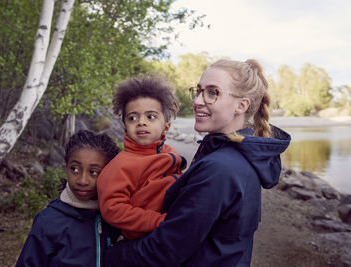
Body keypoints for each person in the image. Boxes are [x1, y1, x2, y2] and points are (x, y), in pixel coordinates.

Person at [104, 59, 291, 266]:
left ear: (241, 105)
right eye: (199, 91)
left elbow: (167, 248)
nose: (198, 101)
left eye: (212, 93)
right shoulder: (238, 154)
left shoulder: (220, 168)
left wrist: (104, 256)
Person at [97, 74, 186, 240]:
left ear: (166, 127)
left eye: (150, 116)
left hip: (170, 228)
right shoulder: (121, 165)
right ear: (125, 127)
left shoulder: (169, 153)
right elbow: (112, 208)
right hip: (143, 238)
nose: (141, 122)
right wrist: (156, 221)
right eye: (133, 117)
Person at [16, 130, 121, 267]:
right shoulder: (48, 221)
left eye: (94, 172)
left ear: (109, 173)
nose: (83, 180)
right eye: (75, 169)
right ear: (66, 167)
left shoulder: (117, 218)